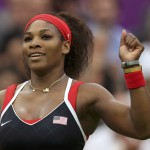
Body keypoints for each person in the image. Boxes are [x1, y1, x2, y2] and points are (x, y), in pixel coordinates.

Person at [0, 12, 149, 150]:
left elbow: (141, 129)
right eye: (28, 38)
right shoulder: (3, 99)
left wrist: (131, 66)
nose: (34, 43)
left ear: (65, 46)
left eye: (45, 37)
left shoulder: (86, 95)